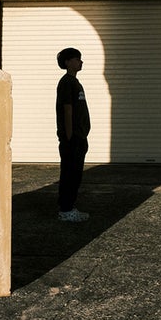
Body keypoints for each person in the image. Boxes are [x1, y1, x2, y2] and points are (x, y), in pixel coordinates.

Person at [55, 47, 91, 221]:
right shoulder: (67, 83)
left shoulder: (74, 82)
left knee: (75, 174)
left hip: (79, 137)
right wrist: (70, 137)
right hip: (73, 139)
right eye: (77, 59)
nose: (80, 62)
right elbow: (67, 110)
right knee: (70, 174)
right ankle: (66, 210)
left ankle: (68, 207)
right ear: (68, 62)